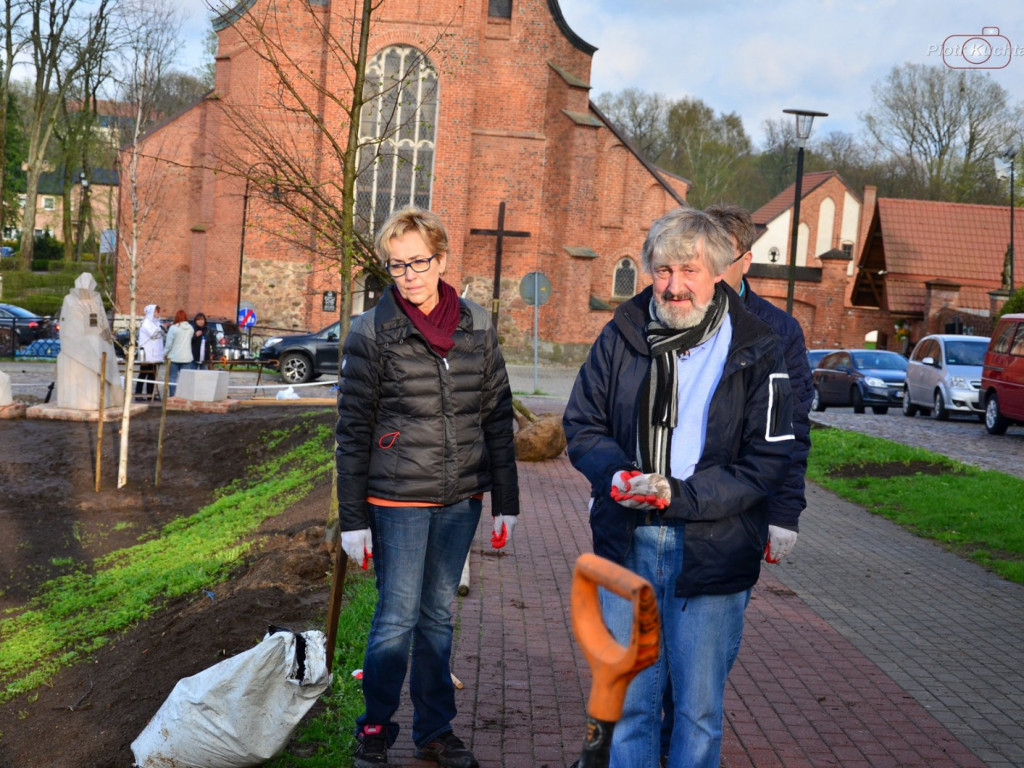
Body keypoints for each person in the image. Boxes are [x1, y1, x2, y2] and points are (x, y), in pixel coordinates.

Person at [563, 207, 795, 768]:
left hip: (713, 549)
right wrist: (617, 474)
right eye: (663, 270)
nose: (674, 285)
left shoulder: (763, 347)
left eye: (688, 270)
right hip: (627, 539)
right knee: (632, 705)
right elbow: (582, 423)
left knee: (696, 712)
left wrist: (681, 497)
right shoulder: (619, 334)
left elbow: (768, 459)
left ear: (718, 272)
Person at [335, 207, 520, 768]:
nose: (409, 275)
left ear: (441, 260)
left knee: (438, 616)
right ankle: (374, 727)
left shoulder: (478, 326)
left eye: (418, 262)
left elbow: (497, 416)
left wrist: (505, 502)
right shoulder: (371, 332)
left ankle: (435, 731)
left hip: (460, 498)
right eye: (397, 265)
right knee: (396, 616)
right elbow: (352, 433)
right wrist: (352, 520)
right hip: (396, 501)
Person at [135, 304, 164, 400]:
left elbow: (162, 333)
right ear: (151, 312)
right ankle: (138, 394)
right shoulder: (147, 323)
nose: (158, 313)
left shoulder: (156, 323)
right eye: (156, 311)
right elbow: (154, 334)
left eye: (158, 311)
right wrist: (161, 329)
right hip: (147, 354)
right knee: (143, 373)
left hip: (154, 354)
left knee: (152, 375)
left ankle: (149, 395)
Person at [164, 310, 194, 396]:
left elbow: (169, 344)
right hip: (187, 357)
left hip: (174, 357)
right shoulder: (191, 328)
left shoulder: (173, 328)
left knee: (172, 378)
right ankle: (184, 395)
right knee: (185, 379)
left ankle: (172, 396)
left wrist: (165, 353)